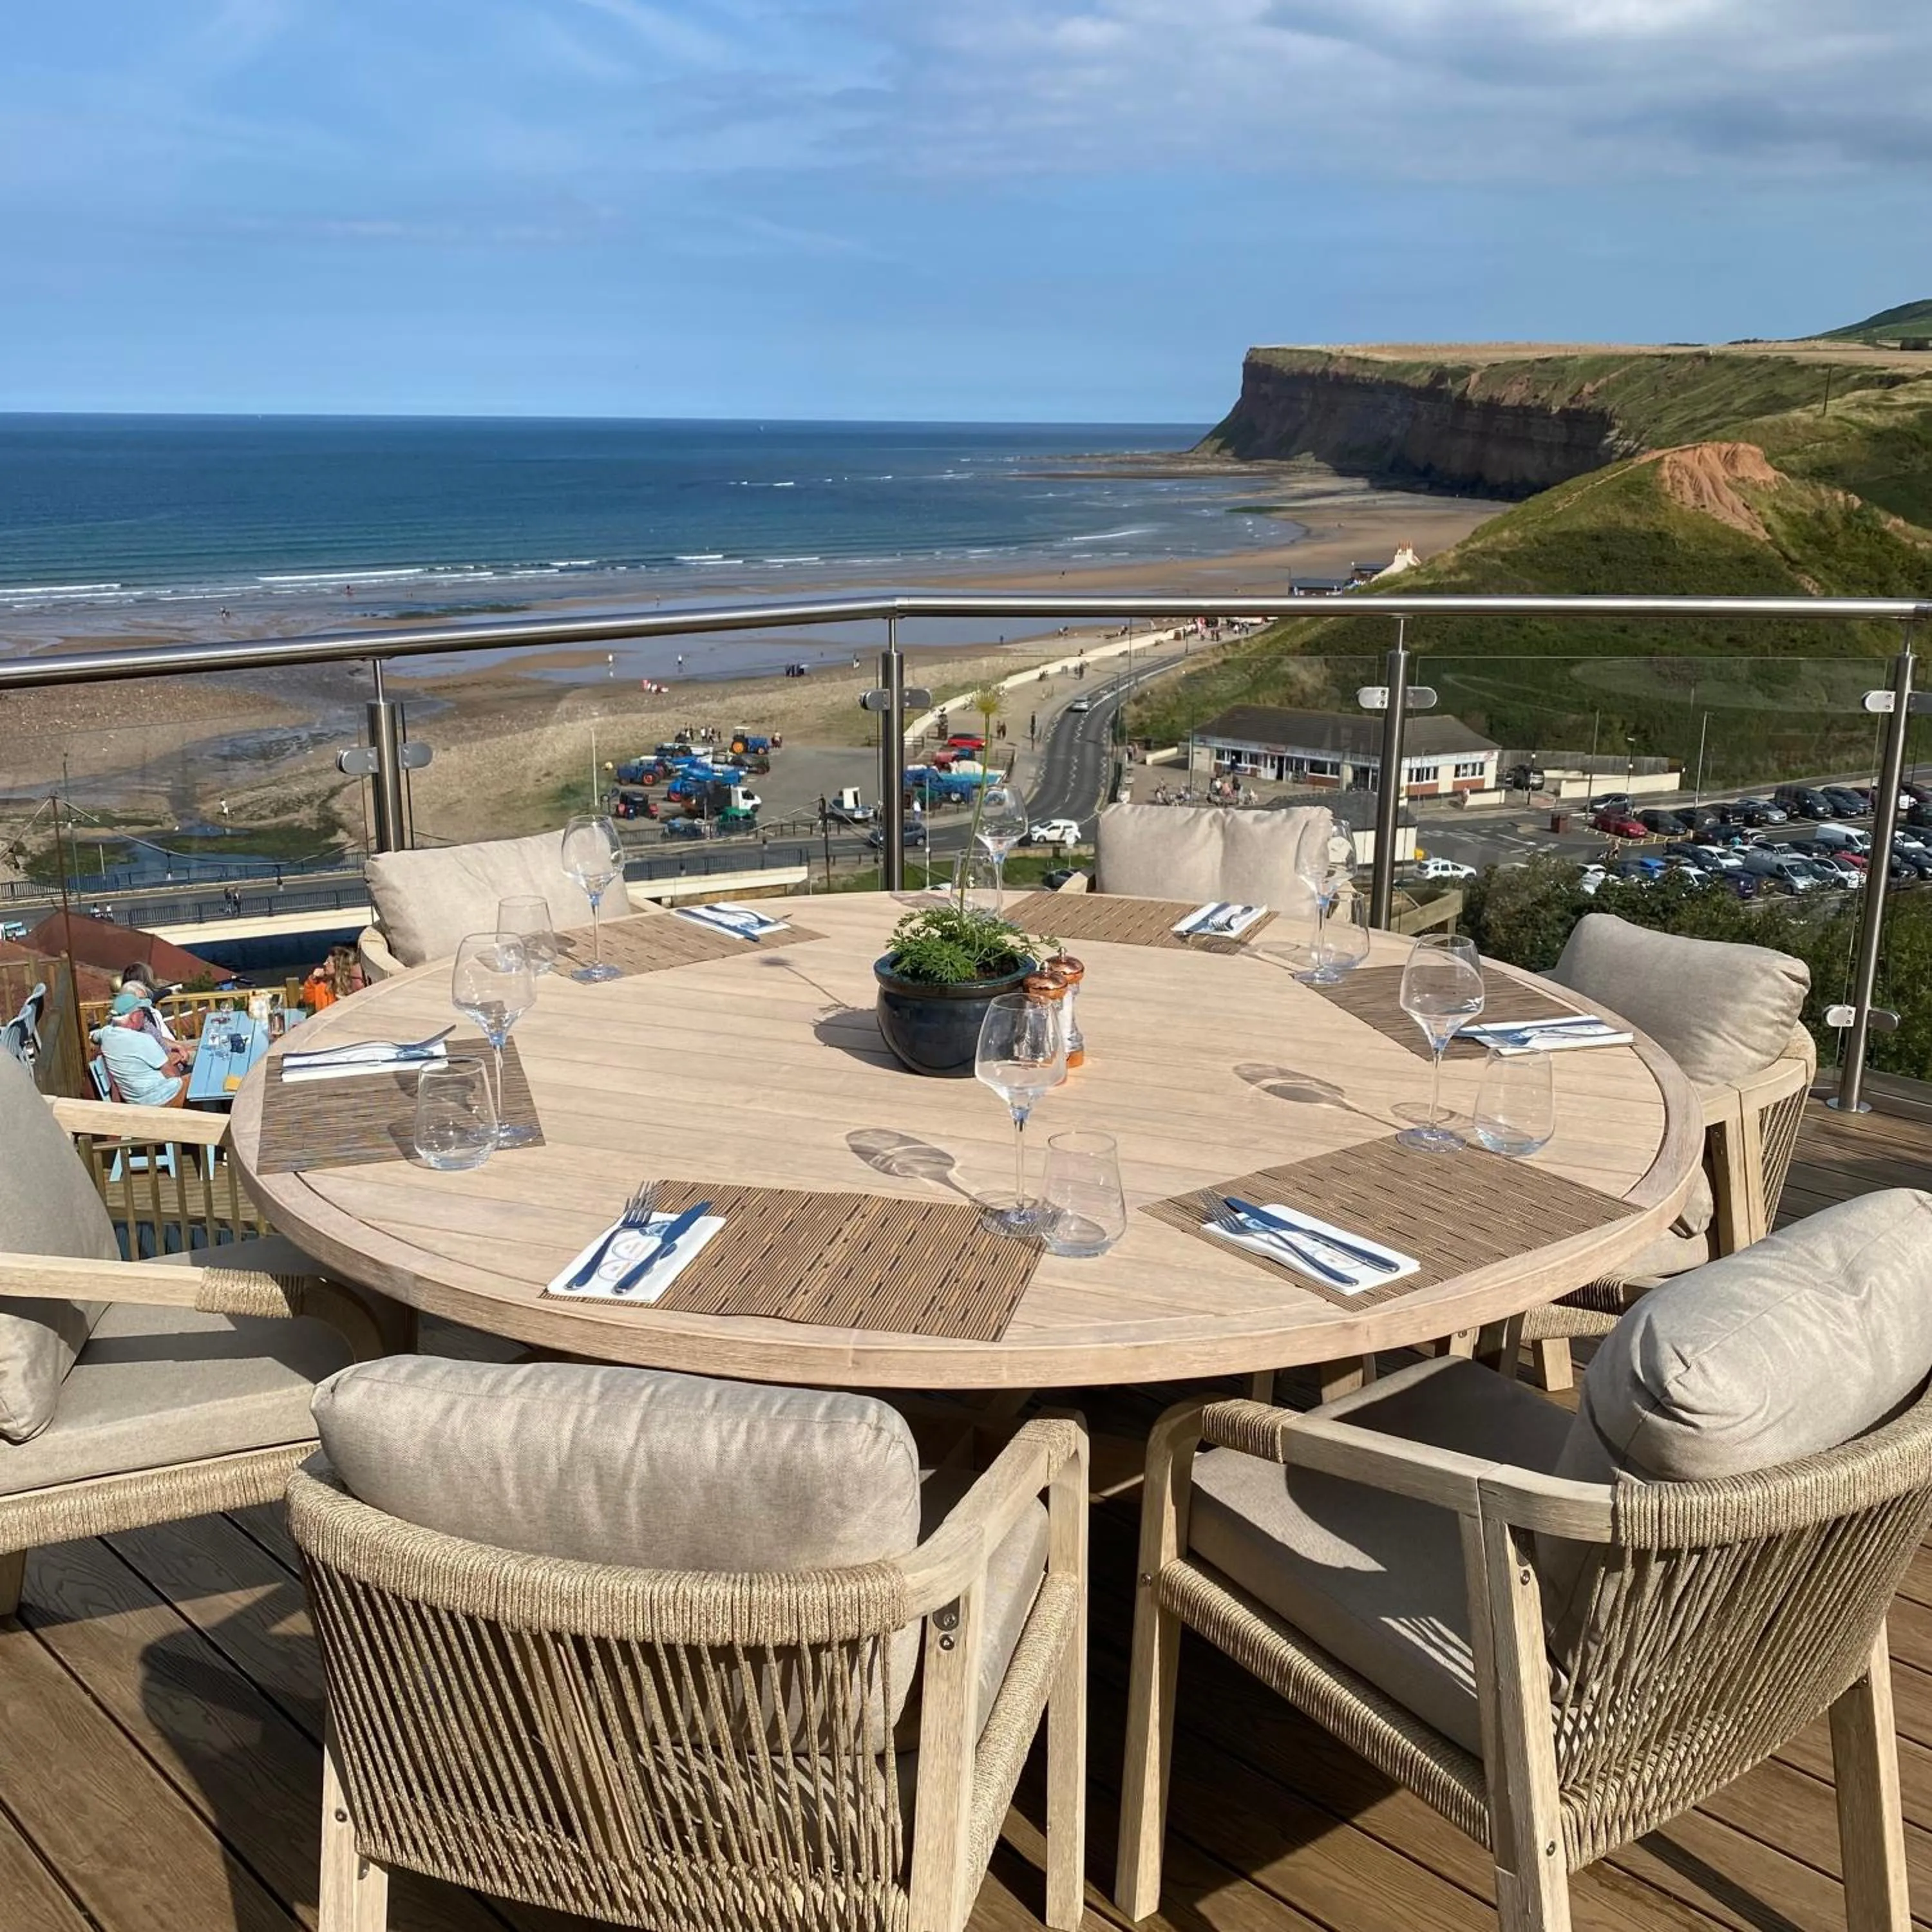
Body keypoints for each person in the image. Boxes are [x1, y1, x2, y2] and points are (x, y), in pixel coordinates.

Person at [95, 991, 193, 1108]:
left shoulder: (106, 1034)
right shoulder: (143, 1040)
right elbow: (172, 1075)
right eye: (141, 1011)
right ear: (133, 1017)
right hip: (164, 1099)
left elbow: (94, 1037)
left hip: (137, 1101)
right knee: (204, 1079)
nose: (144, 1015)